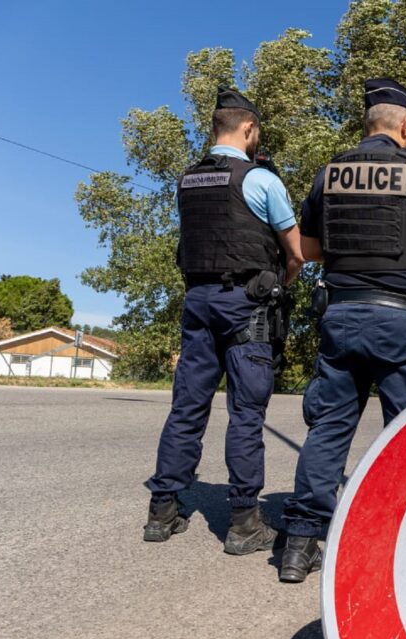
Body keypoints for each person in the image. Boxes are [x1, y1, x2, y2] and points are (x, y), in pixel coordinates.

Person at [279, 78, 406, 583]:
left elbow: (308, 248)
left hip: (341, 318)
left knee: (328, 430)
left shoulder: (329, 175)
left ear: (368, 125)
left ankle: (300, 545)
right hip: (398, 321)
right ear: (405, 127)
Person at [142, 88, 302, 557]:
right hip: (246, 305)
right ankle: (244, 522)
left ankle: (162, 511)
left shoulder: (187, 180)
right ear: (248, 128)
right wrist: (280, 282)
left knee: (187, 406)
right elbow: (295, 251)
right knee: (246, 414)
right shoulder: (261, 180)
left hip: (198, 300)